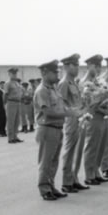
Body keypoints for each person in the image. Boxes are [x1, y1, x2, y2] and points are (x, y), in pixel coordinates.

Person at [34, 60, 68, 201]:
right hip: (47, 128)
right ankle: (44, 189)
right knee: (46, 161)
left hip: (57, 128)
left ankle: (51, 186)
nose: (56, 75)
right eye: (54, 72)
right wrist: (69, 114)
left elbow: (60, 108)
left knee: (53, 161)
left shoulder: (53, 89)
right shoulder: (42, 90)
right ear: (44, 73)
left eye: (57, 72)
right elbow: (48, 112)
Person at [80, 55, 108, 186]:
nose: (98, 69)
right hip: (92, 117)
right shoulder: (84, 82)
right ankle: (89, 174)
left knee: (100, 145)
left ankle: (96, 171)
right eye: (95, 66)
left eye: (100, 66)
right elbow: (88, 103)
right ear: (88, 66)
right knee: (92, 146)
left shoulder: (98, 81)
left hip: (101, 116)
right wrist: (103, 108)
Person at [58, 54, 88, 194]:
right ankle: (66, 182)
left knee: (78, 150)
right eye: (75, 65)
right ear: (67, 66)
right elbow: (61, 104)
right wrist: (74, 112)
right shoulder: (64, 83)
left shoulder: (74, 82)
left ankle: (74, 179)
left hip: (79, 118)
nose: (77, 67)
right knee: (70, 151)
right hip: (71, 120)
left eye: (77, 65)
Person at [3, 69, 24, 143]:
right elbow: (5, 94)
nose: (15, 75)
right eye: (13, 73)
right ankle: (10, 137)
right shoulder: (7, 83)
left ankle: (15, 136)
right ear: (9, 74)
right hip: (11, 102)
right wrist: (5, 104)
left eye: (15, 73)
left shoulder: (17, 83)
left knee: (17, 121)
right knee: (11, 121)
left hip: (18, 102)